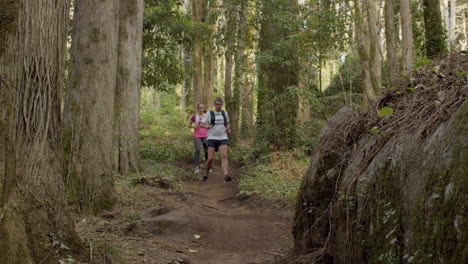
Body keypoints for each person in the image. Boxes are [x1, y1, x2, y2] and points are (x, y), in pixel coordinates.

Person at [200, 98, 231, 182]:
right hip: (212, 138)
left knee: (224, 155)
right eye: (217, 104)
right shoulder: (209, 113)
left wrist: (228, 128)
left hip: (223, 137)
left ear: (222, 105)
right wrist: (206, 126)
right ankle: (206, 174)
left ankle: (226, 175)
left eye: (220, 104)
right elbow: (201, 124)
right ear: (214, 105)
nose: (218, 106)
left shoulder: (225, 113)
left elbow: (227, 123)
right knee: (210, 158)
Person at [189, 103, 208, 174]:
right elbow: (189, 124)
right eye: (200, 108)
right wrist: (193, 127)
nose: (201, 109)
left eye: (202, 108)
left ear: (204, 108)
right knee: (197, 150)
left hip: (206, 135)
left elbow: (210, 124)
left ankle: (208, 165)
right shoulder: (194, 116)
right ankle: (197, 167)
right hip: (197, 136)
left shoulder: (207, 116)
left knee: (206, 151)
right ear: (197, 109)